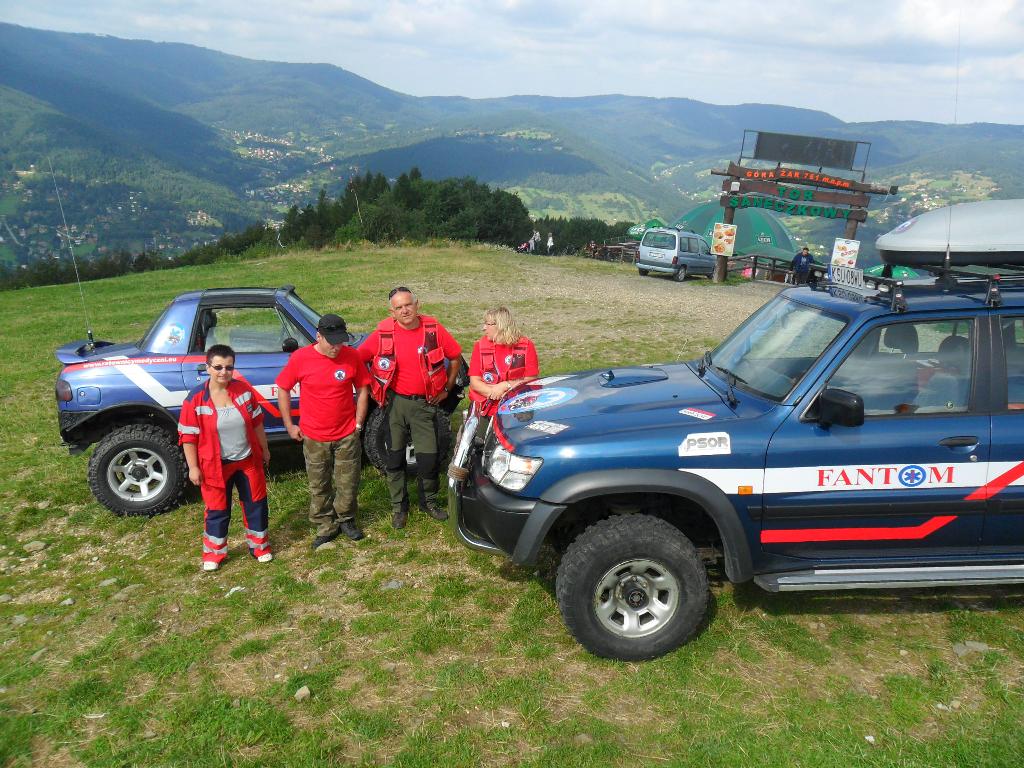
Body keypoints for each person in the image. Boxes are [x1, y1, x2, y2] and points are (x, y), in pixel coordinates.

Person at [360, 287, 462, 528]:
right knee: (394, 459)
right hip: (394, 404)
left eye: (408, 305)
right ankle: (399, 508)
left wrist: (446, 389)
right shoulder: (383, 334)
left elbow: (455, 356)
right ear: (391, 312)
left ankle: (429, 502)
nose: (405, 310)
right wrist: (374, 386)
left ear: (418, 304)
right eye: (399, 307)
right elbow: (359, 357)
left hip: (424, 404)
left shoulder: (433, 330)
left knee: (429, 459)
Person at [276, 313, 370, 549]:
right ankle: (326, 526)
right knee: (319, 484)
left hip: (346, 434)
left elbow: (362, 388)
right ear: (318, 336)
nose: (337, 347)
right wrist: (289, 425)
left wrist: (358, 423)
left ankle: (346, 519)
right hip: (314, 436)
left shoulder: (351, 356)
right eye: (332, 342)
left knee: (348, 482)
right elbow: (283, 389)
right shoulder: (301, 358)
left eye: (341, 341)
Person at [178, 344, 272, 572]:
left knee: (256, 504)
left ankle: (259, 547)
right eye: (218, 367)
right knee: (217, 510)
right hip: (214, 466)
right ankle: (214, 554)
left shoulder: (244, 391)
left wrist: (265, 449)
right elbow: (188, 437)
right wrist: (193, 468)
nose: (224, 372)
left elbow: (257, 422)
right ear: (207, 367)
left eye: (229, 367)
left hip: (247, 461)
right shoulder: (196, 399)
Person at [468, 307, 539, 431]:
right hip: (486, 406)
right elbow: (474, 382)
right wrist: (493, 392)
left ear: (500, 325)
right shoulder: (479, 346)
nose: (483, 328)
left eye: (488, 324)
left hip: (517, 407)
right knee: (477, 442)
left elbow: (531, 380)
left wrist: (505, 385)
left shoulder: (526, 346)